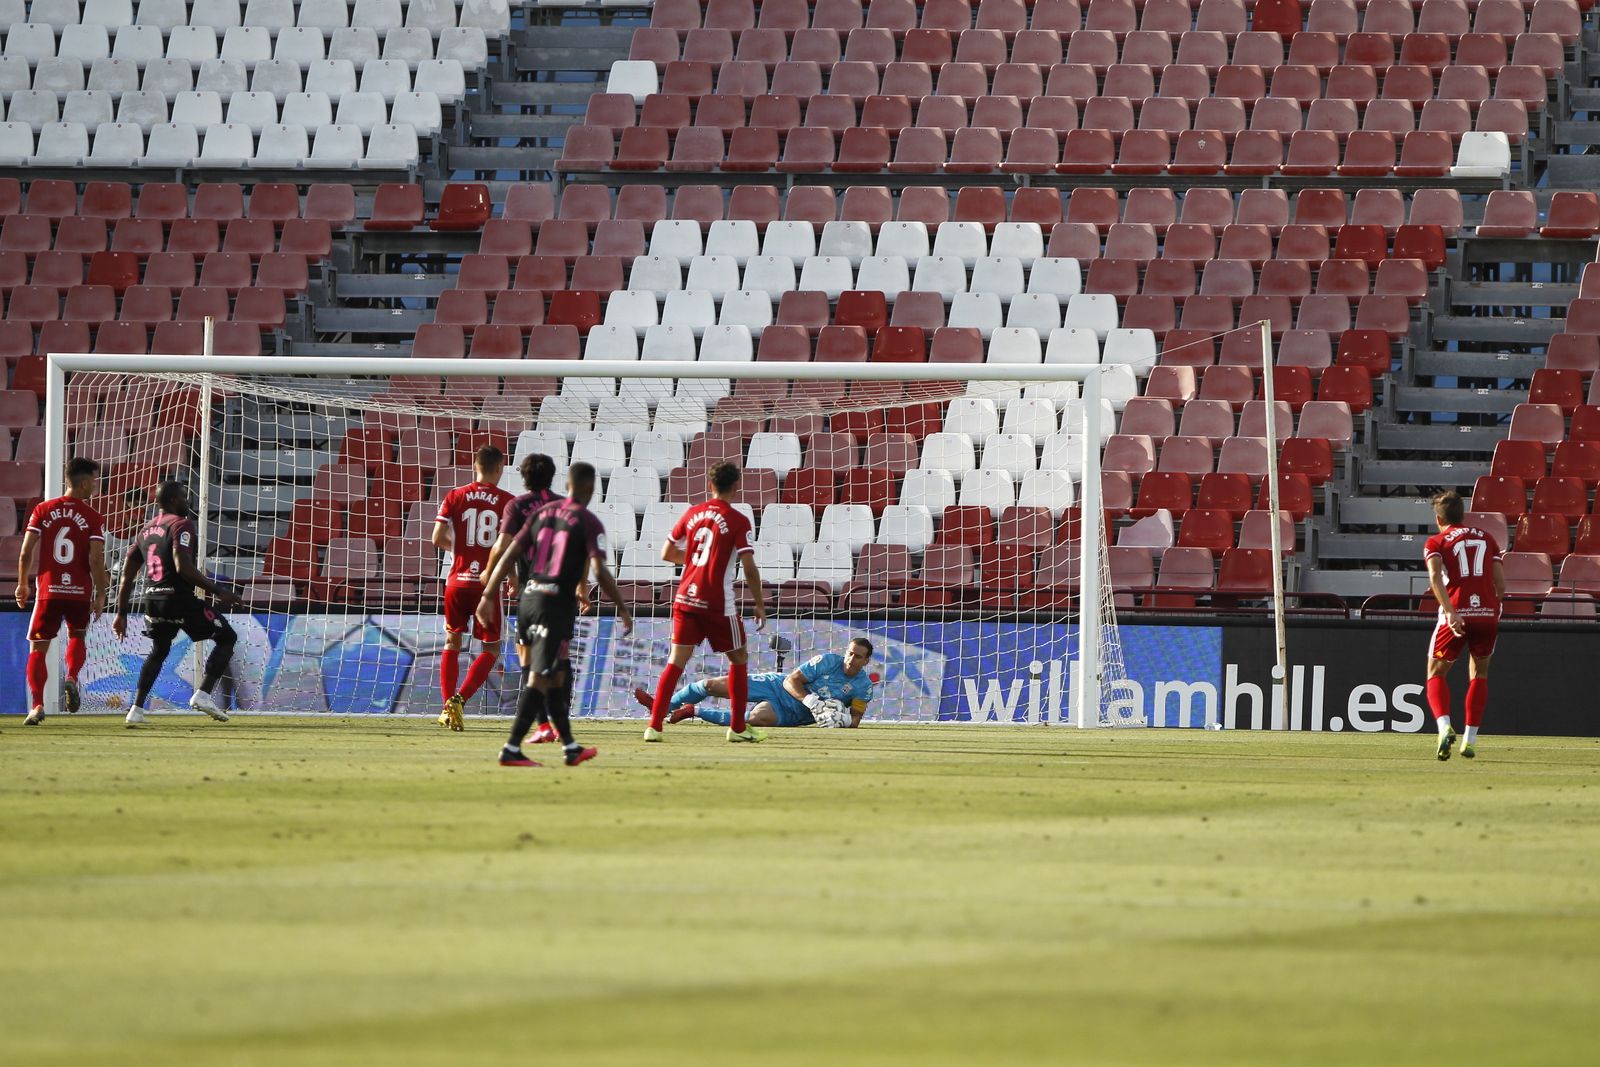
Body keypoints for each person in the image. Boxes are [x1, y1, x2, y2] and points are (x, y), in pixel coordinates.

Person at [476, 462, 633, 768]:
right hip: (554, 604)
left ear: (569, 484)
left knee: (557, 673)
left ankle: (571, 747)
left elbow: (508, 553)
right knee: (541, 676)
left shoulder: (540, 514)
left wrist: (487, 595)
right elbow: (600, 571)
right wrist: (623, 608)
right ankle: (511, 748)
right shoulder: (588, 521)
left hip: (528, 599)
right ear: (589, 489)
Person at [643, 462, 767, 744]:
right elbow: (748, 566)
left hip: (685, 597)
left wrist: (696, 564)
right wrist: (759, 603)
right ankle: (737, 728)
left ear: (709, 485)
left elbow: (667, 552)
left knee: (675, 661)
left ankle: (653, 727)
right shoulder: (738, 520)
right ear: (736, 486)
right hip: (717, 603)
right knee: (739, 658)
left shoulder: (692, 513)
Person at [112, 481, 247, 726]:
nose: (188, 501)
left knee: (159, 650)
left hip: (152, 601)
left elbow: (127, 575)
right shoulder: (180, 524)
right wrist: (218, 590)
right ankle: (203, 694)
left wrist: (121, 612)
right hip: (178, 599)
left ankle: (136, 710)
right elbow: (182, 567)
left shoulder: (145, 531)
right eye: (185, 497)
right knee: (227, 637)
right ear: (174, 500)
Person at [482, 452, 570, 744]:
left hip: (533, 592)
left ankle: (544, 725)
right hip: (562, 590)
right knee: (558, 658)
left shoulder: (517, 505)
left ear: (524, 477)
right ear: (553, 474)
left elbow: (503, 547)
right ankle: (558, 723)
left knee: (527, 656)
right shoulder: (565, 506)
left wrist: (490, 576)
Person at [15, 457, 109, 724]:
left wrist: (22, 583)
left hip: (48, 591)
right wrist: (100, 593)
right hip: (79, 591)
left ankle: (36, 706)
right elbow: (95, 559)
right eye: (93, 481)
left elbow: (25, 552)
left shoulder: (42, 510)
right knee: (78, 634)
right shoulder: (93, 516)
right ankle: (71, 677)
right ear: (83, 483)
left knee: (38, 648)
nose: (95, 486)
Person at [432, 445, 515, 731]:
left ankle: (446, 707)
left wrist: (462, 551)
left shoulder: (455, 495)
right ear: (500, 468)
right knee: (491, 648)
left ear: (475, 467)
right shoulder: (508, 501)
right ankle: (459, 700)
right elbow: (508, 548)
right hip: (486, 586)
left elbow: (437, 537)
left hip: (456, 581)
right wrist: (513, 577)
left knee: (452, 642)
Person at [635, 637, 876, 729]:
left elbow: (855, 720)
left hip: (791, 713)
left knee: (753, 720)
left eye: (857, 656)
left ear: (866, 661)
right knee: (710, 685)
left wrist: (840, 719)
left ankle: (692, 711)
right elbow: (792, 681)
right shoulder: (826, 661)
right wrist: (811, 700)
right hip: (777, 686)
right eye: (850, 653)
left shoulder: (863, 687)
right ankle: (662, 707)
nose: (851, 659)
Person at [1423, 490, 1504, 761]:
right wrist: (1489, 608)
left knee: (1435, 672)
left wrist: (1451, 611)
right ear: (1463, 515)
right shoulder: (1487, 537)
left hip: (1456, 613)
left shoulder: (1436, 541)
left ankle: (1444, 727)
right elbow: (1500, 584)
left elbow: (1435, 577)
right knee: (1479, 673)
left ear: (1438, 519)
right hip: (1487, 613)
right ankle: (1470, 740)